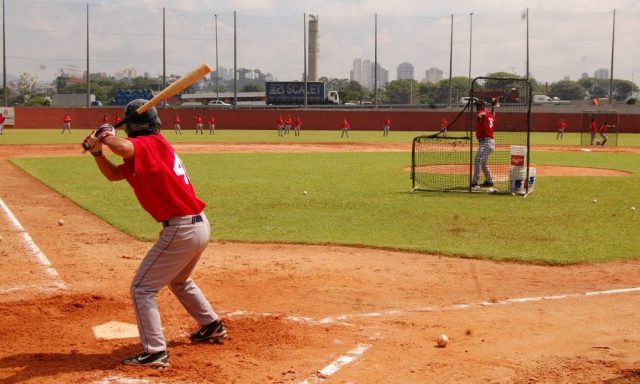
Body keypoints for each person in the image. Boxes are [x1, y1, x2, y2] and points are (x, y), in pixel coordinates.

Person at [82, 99, 227, 369]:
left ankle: (155, 352)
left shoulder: (150, 143)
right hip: (195, 226)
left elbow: (124, 148)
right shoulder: (147, 149)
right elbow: (114, 175)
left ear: (133, 125)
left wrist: (105, 134)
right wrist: (99, 153)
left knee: (142, 288)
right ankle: (211, 325)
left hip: (182, 227)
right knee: (180, 281)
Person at [471, 100, 496, 190]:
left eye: (478, 105)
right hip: (487, 142)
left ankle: (475, 183)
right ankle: (489, 181)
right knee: (483, 163)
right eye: (476, 105)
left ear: (482, 105)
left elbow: (481, 114)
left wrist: (479, 116)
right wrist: (493, 106)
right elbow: (493, 115)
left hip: (486, 142)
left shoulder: (482, 112)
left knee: (478, 160)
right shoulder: (489, 114)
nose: (476, 107)